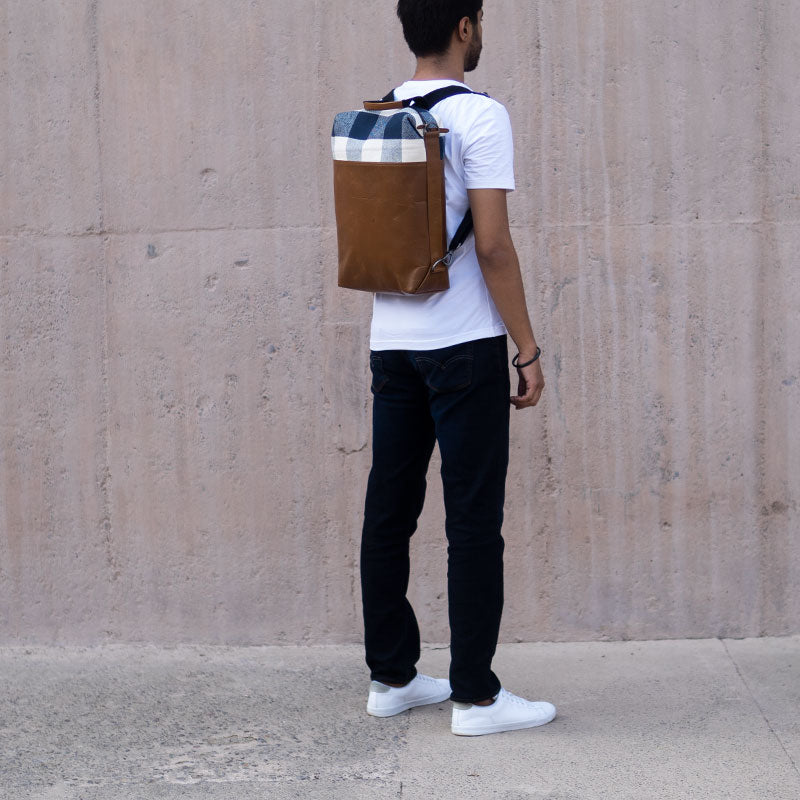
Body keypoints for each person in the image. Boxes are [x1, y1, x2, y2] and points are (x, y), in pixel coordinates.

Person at [360, 0, 556, 736]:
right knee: (473, 522)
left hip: (391, 341)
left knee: (389, 513)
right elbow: (494, 245)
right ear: (464, 26)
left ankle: (392, 678)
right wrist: (527, 348)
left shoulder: (377, 113)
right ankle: (476, 697)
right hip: (464, 345)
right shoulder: (479, 115)